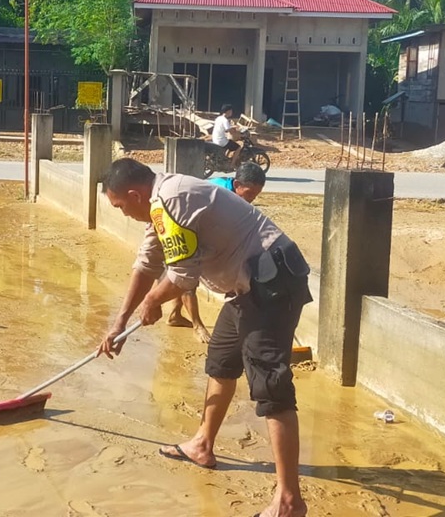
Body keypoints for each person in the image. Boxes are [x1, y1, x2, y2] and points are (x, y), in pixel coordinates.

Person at [98, 158, 312, 517]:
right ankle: (202, 444)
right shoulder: (158, 206)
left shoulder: (173, 198)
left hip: (272, 282)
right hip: (246, 288)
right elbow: (148, 263)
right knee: (222, 361)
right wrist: (119, 323)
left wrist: (152, 302)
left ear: (134, 194)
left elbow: (183, 277)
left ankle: (290, 501)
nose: (121, 214)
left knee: (271, 386)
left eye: (119, 207)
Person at [168, 162, 268, 343]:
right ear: (237, 185)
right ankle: (197, 326)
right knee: (187, 276)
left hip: (198, 228)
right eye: (250, 193)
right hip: (181, 228)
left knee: (181, 278)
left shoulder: (234, 196)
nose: (253, 199)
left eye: (256, 194)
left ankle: (175, 315)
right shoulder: (219, 193)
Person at [211, 104, 243, 170]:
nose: (231, 112)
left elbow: (224, 128)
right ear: (227, 111)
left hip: (215, 139)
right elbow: (230, 132)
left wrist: (232, 127)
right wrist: (239, 134)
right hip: (221, 141)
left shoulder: (218, 118)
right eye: (231, 111)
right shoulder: (225, 120)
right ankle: (232, 164)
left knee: (230, 143)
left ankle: (226, 159)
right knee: (238, 147)